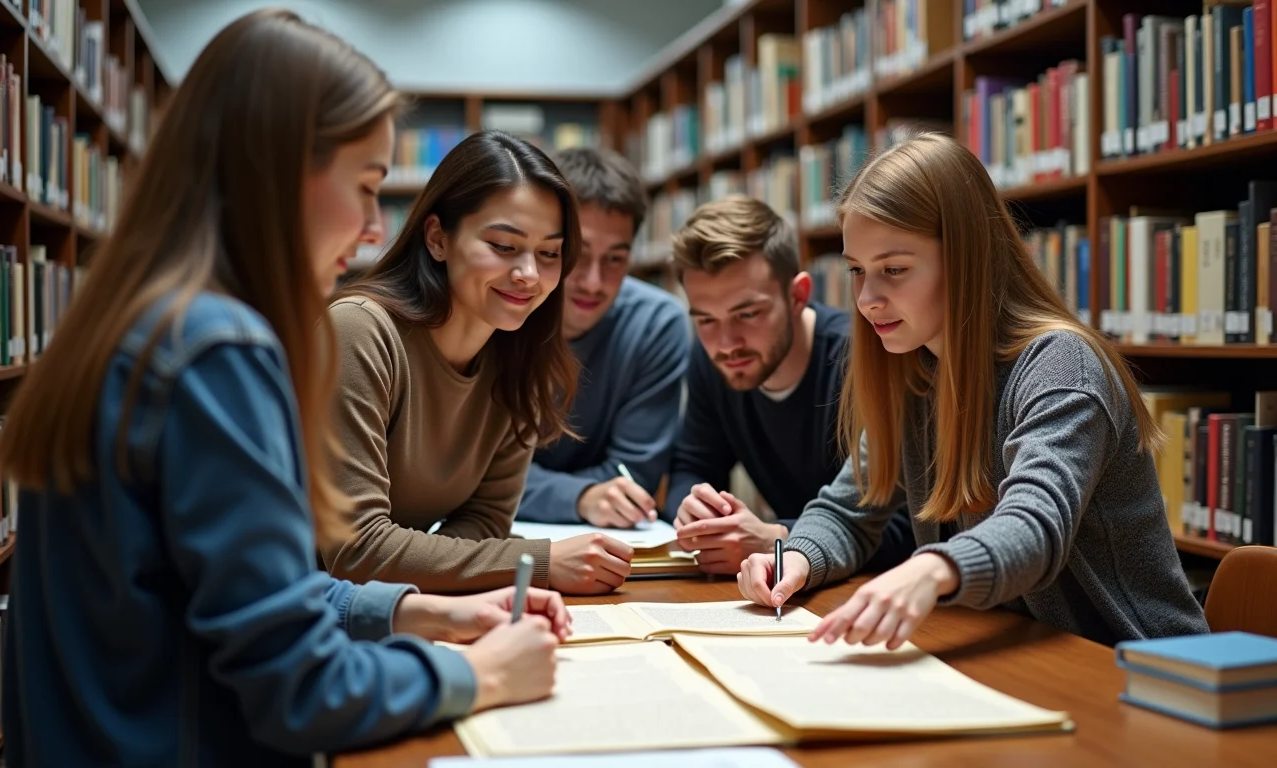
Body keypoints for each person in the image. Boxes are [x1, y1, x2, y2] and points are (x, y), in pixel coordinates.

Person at [0, 10, 573, 766]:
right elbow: (296, 685)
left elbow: (234, 597)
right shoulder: (219, 354)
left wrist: (410, 609)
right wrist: (474, 674)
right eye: (366, 187)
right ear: (276, 172)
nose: (372, 228)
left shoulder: (138, 321)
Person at [738, 132, 1211, 647]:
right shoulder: (916, 372)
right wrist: (797, 559)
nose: (868, 299)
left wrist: (931, 570)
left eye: (893, 270)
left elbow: (1035, 525)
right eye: (857, 271)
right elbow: (849, 510)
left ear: (966, 258)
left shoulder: (1061, 365)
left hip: (1141, 668)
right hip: (1024, 654)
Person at [323, 131, 634, 596]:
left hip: (392, 611)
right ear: (437, 238)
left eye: (549, 253)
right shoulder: (359, 332)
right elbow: (356, 548)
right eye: (504, 247)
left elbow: (486, 520)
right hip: (291, 620)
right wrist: (536, 562)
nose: (529, 274)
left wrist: (429, 569)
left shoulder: (520, 359)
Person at [666, 195, 915, 575]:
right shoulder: (712, 359)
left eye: (747, 314)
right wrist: (696, 510)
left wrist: (779, 539)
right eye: (706, 321)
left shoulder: (868, 362)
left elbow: (908, 526)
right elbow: (693, 465)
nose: (727, 342)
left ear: (798, 295)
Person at [515, 147, 690, 527]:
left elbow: (631, 480)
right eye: (579, 253)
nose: (594, 282)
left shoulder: (657, 325)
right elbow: (466, 477)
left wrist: (547, 492)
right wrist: (579, 497)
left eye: (615, 259)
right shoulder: (501, 311)